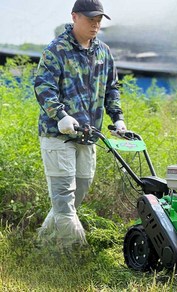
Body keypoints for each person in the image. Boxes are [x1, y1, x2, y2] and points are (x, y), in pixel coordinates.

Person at [34, 0, 126, 249]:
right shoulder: (56, 50)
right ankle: (75, 255)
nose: (95, 24)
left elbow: (111, 88)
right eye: (90, 19)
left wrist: (117, 118)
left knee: (74, 198)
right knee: (64, 198)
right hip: (58, 134)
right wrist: (60, 115)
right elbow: (44, 87)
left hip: (88, 135)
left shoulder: (103, 52)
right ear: (75, 17)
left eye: (99, 20)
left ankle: (42, 245)